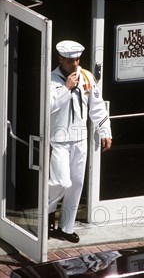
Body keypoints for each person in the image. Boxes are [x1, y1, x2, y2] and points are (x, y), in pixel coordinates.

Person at [48, 40, 112, 243]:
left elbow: (97, 105)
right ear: (60, 60)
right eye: (70, 61)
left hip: (80, 138)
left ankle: (66, 228)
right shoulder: (51, 80)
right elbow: (49, 107)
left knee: (76, 183)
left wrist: (105, 131)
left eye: (77, 60)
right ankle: (47, 211)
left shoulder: (86, 77)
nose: (75, 64)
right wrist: (66, 88)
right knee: (60, 181)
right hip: (59, 139)